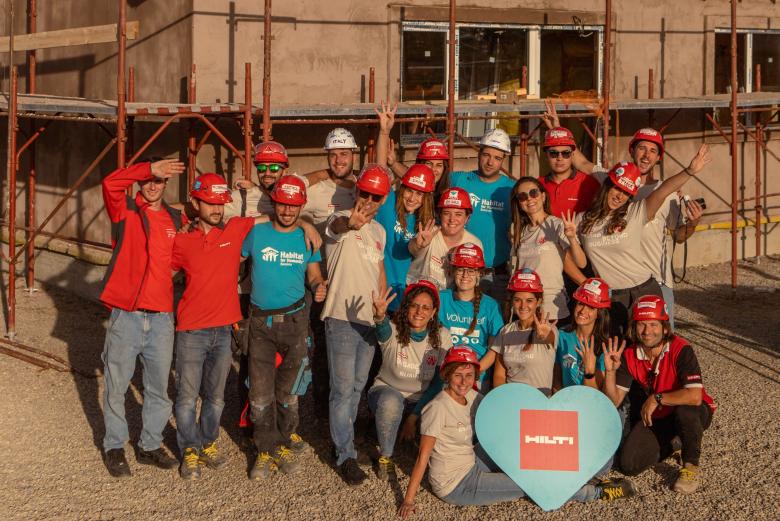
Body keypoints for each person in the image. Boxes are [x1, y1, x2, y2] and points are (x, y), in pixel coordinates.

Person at [398, 346, 634, 517]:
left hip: (470, 460)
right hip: (456, 484)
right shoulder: (437, 407)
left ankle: (573, 473)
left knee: (520, 446)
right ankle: (593, 494)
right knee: (531, 482)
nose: (463, 381)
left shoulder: (469, 395)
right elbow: (423, 457)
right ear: (446, 375)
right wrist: (408, 500)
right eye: (457, 375)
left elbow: (504, 410)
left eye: (469, 375)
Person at [543, 101, 705, 326]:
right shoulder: (611, 179)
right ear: (632, 150)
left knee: (656, 341)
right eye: (642, 148)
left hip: (654, 279)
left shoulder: (659, 195)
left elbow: (678, 234)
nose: (646, 155)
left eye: (653, 150)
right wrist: (559, 131)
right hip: (614, 286)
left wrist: (693, 221)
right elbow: (580, 161)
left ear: (659, 157)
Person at [99, 158, 186, 477]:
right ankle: (114, 445)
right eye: (149, 180)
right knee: (116, 385)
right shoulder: (125, 211)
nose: (153, 185)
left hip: (162, 317)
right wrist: (148, 167)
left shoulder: (174, 218)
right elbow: (110, 183)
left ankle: (150, 445)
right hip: (128, 315)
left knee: (158, 388)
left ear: (167, 185)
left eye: (159, 181)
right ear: (140, 181)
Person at [171, 173, 257, 480]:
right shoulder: (181, 241)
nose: (217, 209)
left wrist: (309, 225)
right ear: (196, 203)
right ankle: (189, 449)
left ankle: (207, 442)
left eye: (221, 203)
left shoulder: (235, 230)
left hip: (224, 331)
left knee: (216, 396)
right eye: (210, 202)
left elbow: (277, 214)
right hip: (191, 331)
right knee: (185, 396)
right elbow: (161, 271)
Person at [241, 175, 328, 480]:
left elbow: (314, 275)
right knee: (260, 392)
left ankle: (283, 438)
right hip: (260, 323)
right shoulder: (256, 233)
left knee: (289, 392)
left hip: (295, 322)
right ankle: (265, 451)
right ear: (274, 202)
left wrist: (318, 286)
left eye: (294, 206)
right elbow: (231, 263)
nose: (288, 211)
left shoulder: (307, 238)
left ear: (301, 205)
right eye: (283, 204)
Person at [576, 149, 711, 336]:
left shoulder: (635, 213)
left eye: (626, 192)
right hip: (612, 297)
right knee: (617, 352)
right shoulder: (581, 221)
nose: (619, 196)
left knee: (654, 347)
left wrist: (690, 170)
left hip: (645, 290)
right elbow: (580, 162)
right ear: (606, 186)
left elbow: (664, 190)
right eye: (616, 188)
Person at [320, 164, 391, 486]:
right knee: (342, 389)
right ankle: (345, 454)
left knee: (357, 387)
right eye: (365, 193)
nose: (370, 200)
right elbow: (336, 228)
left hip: (368, 319)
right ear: (356, 192)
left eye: (376, 196)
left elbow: (379, 272)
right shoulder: (340, 219)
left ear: (384, 199)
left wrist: (382, 310)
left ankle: (344, 440)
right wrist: (350, 222)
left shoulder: (379, 232)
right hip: (341, 318)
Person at [602, 295, 716, 493]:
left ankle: (690, 467)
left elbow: (695, 396)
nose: (647, 332)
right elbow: (613, 401)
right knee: (629, 465)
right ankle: (676, 441)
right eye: (642, 325)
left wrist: (657, 398)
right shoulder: (629, 354)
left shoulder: (681, 349)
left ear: (665, 327)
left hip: (694, 411)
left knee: (686, 413)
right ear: (634, 327)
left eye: (653, 324)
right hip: (659, 417)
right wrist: (610, 372)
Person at [300, 127, 359, 417]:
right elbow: (284, 194)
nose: (338, 160)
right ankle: (323, 413)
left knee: (358, 349)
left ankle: (355, 412)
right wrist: (305, 223)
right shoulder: (317, 189)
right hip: (324, 280)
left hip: (357, 279)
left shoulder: (362, 187)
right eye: (333, 155)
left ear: (353, 155)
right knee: (322, 348)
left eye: (344, 154)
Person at [367, 280, 452, 480]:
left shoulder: (442, 336)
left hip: (421, 400)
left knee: (442, 408)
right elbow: (382, 331)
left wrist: (414, 417)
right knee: (390, 402)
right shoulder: (394, 329)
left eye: (425, 307)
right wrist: (379, 317)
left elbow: (438, 383)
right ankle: (386, 456)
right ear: (406, 308)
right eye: (414, 305)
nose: (419, 311)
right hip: (387, 391)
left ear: (433, 313)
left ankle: (403, 430)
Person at [510, 176, 586, 327]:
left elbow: (581, 263)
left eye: (534, 193)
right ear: (518, 204)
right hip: (524, 308)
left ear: (543, 196)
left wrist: (571, 238)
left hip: (551, 306)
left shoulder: (556, 224)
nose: (529, 199)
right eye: (522, 196)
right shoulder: (517, 230)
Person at [449, 128, 516, 300]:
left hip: (497, 274)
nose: (490, 162)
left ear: (503, 160)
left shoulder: (511, 189)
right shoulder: (459, 180)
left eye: (497, 158)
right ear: (479, 153)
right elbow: (422, 181)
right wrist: (392, 162)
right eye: (486, 155)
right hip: (463, 272)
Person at [438, 242, 504, 391]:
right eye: (461, 269)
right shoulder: (441, 299)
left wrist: (472, 374)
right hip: (445, 374)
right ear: (453, 271)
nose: (465, 275)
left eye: (471, 270)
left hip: (477, 375)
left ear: (479, 274)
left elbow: (495, 349)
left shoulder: (491, 306)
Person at [375, 164, 436, 313]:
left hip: (400, 296)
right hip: (374, 290)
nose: (412, 198)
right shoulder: (389, 201)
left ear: (426, 198)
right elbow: (379, 165)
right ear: (402, 189)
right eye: (409, 190)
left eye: (419, 194)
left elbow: (411, 248)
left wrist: (418, 243)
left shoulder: (425, 222)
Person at [490, 269, 558, 396]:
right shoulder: (506, 330)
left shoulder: (549, 329)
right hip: (511, 402)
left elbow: (548, 337)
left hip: (539, 404)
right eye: (517, 300)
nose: (522, 306)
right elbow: (499, 375)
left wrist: (544, 336)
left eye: (529, 300)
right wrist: (502, 399)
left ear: (539, 302)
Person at [406, 187, 483, 290]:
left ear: (467, 218)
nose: (452, 219)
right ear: (439, 215)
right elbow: (412, 249)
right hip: (419, 295)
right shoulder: (430, 233)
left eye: (458, 214)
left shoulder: (475, 243)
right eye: (446, 213)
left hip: (450, 301)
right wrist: (418, 244)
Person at [553, 278, 611, 392]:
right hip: (565, 404)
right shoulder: (562, 335)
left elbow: (596, 395)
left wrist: (589, 371)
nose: (582, 311)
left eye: (590, 307)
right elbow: (556, 378)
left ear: (599, 314)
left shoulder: (604, 347)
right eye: (580, 304)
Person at [535, 125, 600, 217]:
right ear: (546, 156)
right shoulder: (537, 185)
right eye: (554, 153)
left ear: (573, 155)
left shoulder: (589, 184)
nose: (559, 158)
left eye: (566, 153)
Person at [225, 140, 290, 219]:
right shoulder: (241, 197)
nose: (267, 173)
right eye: (261, 167)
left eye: (274, 168)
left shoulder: (294, 193)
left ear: (284, 172)